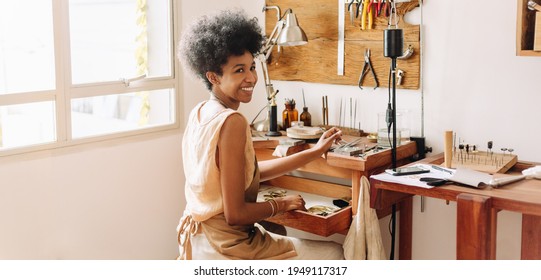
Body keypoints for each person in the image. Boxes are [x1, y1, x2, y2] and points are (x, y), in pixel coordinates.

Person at [176, 8, 344, 260]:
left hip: (198, 238)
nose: (252, 77)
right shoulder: (231, 122)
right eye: (239, 70)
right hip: (227, 245)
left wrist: (315, 151)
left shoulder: (200, 112)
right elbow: (236, 214)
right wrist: (282, 204)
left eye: (252, 67)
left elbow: (249, 175)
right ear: (214, 77)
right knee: (333, 252)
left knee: (276, 228)